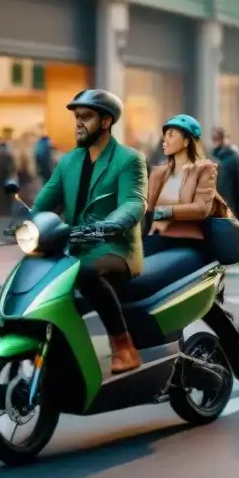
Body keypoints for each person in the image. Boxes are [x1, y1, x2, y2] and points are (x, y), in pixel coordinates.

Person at [33, 90, 147, 374]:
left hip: (114, 248)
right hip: (75, 246)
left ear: (106, 121)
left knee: (84, 273)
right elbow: (43, 204)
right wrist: (29, 224)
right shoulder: (68, 162)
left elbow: (134, 201)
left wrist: (112, 223)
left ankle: (124, 346)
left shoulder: (129, 159)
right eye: (76, 117)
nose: (78, 123)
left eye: (86, 117)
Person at [144, 115, 221, 256]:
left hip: (187, 241)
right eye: (164, 135)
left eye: (171, 135)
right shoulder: (158, 173)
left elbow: (201, 209)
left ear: (186, 141)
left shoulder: (204, 169)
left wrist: (164, 211)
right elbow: (146, 208)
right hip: (155, 238)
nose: (164, 140)